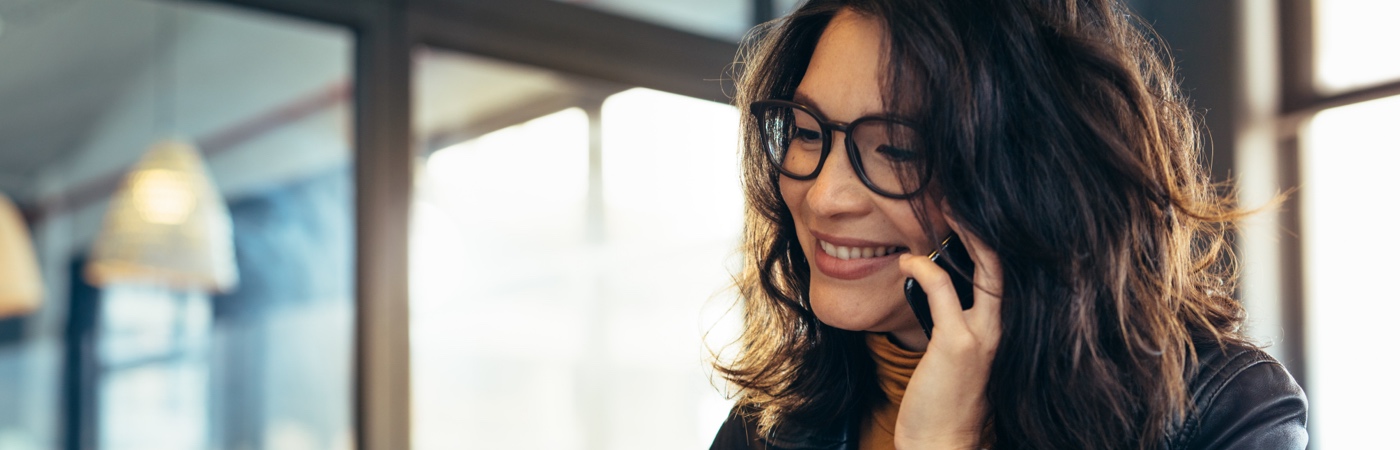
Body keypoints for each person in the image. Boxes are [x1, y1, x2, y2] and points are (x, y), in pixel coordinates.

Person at [708, 0, 1308, 449]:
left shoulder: (1224, 412)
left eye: (897, 150)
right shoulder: (767, 427)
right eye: (808, 134)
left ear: (1028, 178)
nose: (825, 195)